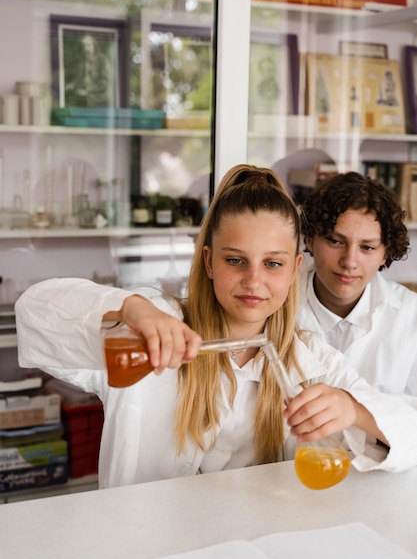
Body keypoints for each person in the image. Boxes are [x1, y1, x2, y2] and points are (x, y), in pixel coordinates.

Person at [15, 165, 417, 489]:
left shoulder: (310, 361)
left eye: (273, 263)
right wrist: (129, 307)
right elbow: (34, 313)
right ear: (209, 262)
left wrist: (354, 410)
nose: (254, 281)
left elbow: (410, 434)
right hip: (141, 554)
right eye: (235, 261)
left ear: (295, 269)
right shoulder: (148, 333)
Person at [298, 171, 417, 397]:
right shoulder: (274, 304)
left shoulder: (412, 317)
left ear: (386, 254)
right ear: (310, 239)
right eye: (335, 241)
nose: (349, 261)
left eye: (367, 247)